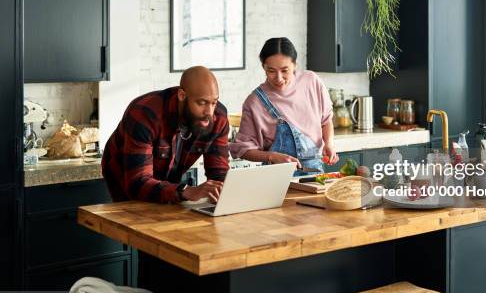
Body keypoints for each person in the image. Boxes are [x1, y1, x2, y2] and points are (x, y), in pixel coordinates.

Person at [102, 66, 229, 204]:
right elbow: (137, 183)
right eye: (201, 103)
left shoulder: (218, 118)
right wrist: (186, 191)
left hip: (167, 181)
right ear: (182, 95)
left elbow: (219, 174)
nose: (209, 112)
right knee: (135, 217)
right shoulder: (144, 114)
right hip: (124, 178)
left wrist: (220, 192)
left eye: (214, 102)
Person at [230, 37, 339, 173]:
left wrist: (328, 143)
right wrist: (272, 156)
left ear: (294, 65)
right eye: (271, 71)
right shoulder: (254, 102)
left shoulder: (312, 81)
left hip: (314, 173)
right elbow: (242, 149)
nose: (279, 78)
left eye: (285, 70)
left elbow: (326, 121)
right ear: (263, 67)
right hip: (276, 176)